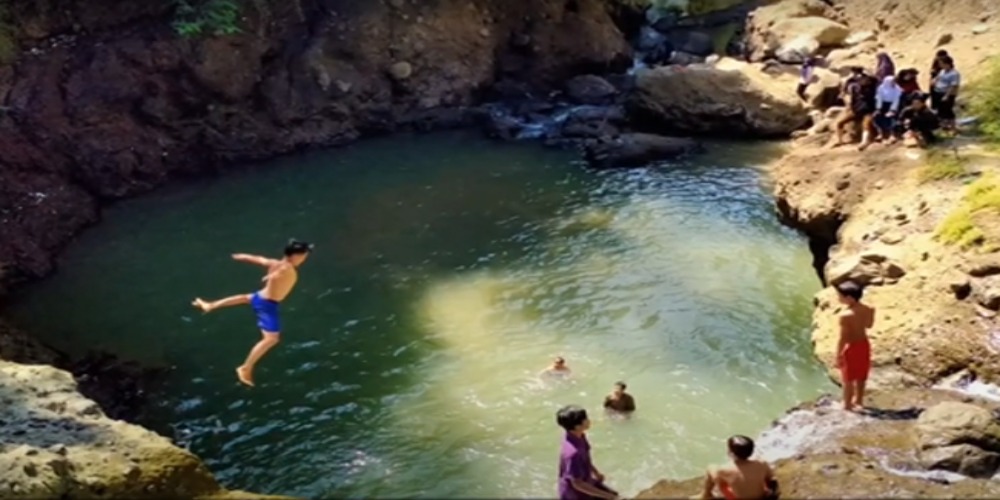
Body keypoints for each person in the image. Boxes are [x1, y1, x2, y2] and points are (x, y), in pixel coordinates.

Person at [192, 239, 314, 386]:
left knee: (245, 298)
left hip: (260, 297)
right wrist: (270, 276)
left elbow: (260, 260)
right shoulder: (286, 268)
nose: (305, 258)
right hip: (267, 305)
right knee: (271, 339)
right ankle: (245, 367)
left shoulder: (276, 263)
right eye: (304, 255)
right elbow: (279, 273)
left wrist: (244, 256)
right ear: (295, 256)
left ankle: (210, 305)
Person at [556, 405, 619, 500]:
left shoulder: (577, 435)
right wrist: (609, 496)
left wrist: (596, 473)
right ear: (577, 426)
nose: (589, 420)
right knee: (612, 496)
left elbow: (585, 458)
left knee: (614, 494)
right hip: (575, 495)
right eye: (585, 419)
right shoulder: (573, 454)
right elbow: (578, 484)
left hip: (586, 480)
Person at [835, 280, 874, 412]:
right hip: (864, 345)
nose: (838, 298)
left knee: (848, 378)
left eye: (840, 296)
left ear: (849, 298)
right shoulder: (869, 309)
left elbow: (843, 338)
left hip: (851, 347)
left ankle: (847, 405)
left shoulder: (845, 316)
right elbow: (869, 325)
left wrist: (838, 355)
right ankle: (859, 401)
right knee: (861, 375)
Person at [700, 435, 777, 500]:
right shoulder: (762, 464)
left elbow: (718, 481)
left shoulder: (724, 470)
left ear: (730, 452)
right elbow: (771, 479)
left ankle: (705, 495)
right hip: (760, 497)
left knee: (711, 467)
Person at [833, 67, 877, 150]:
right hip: (857, 108)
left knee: (866, 124)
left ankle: (864, 142)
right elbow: (845, 93)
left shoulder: (867, 81)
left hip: (868, 108)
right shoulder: (852, 81)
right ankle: (840, 141)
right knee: (840, 123)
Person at [930, 56, 961, 133]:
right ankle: (944, 126)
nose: (940, 65)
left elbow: (953, 86)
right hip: (938, 92)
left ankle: (953, 127)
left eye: (942, 64)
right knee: (940, 110)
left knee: (948, 110)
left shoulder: (954, 74)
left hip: (947, 93)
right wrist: (934, 81)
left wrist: (947, 95)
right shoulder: (942, 71)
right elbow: (938, 77)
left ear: (947, 64)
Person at [873, 76, 902, 143]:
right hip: (883, 105)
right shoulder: (881, 88)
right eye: (892, 82)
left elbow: (896, 100)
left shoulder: (897, 88)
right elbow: (879, 98)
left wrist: (892, 110)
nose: (893, 83)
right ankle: (880, 133)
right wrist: (878, 108)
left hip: (893, 106)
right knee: (877, 116)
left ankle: (892, 135)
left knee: (892, 117)